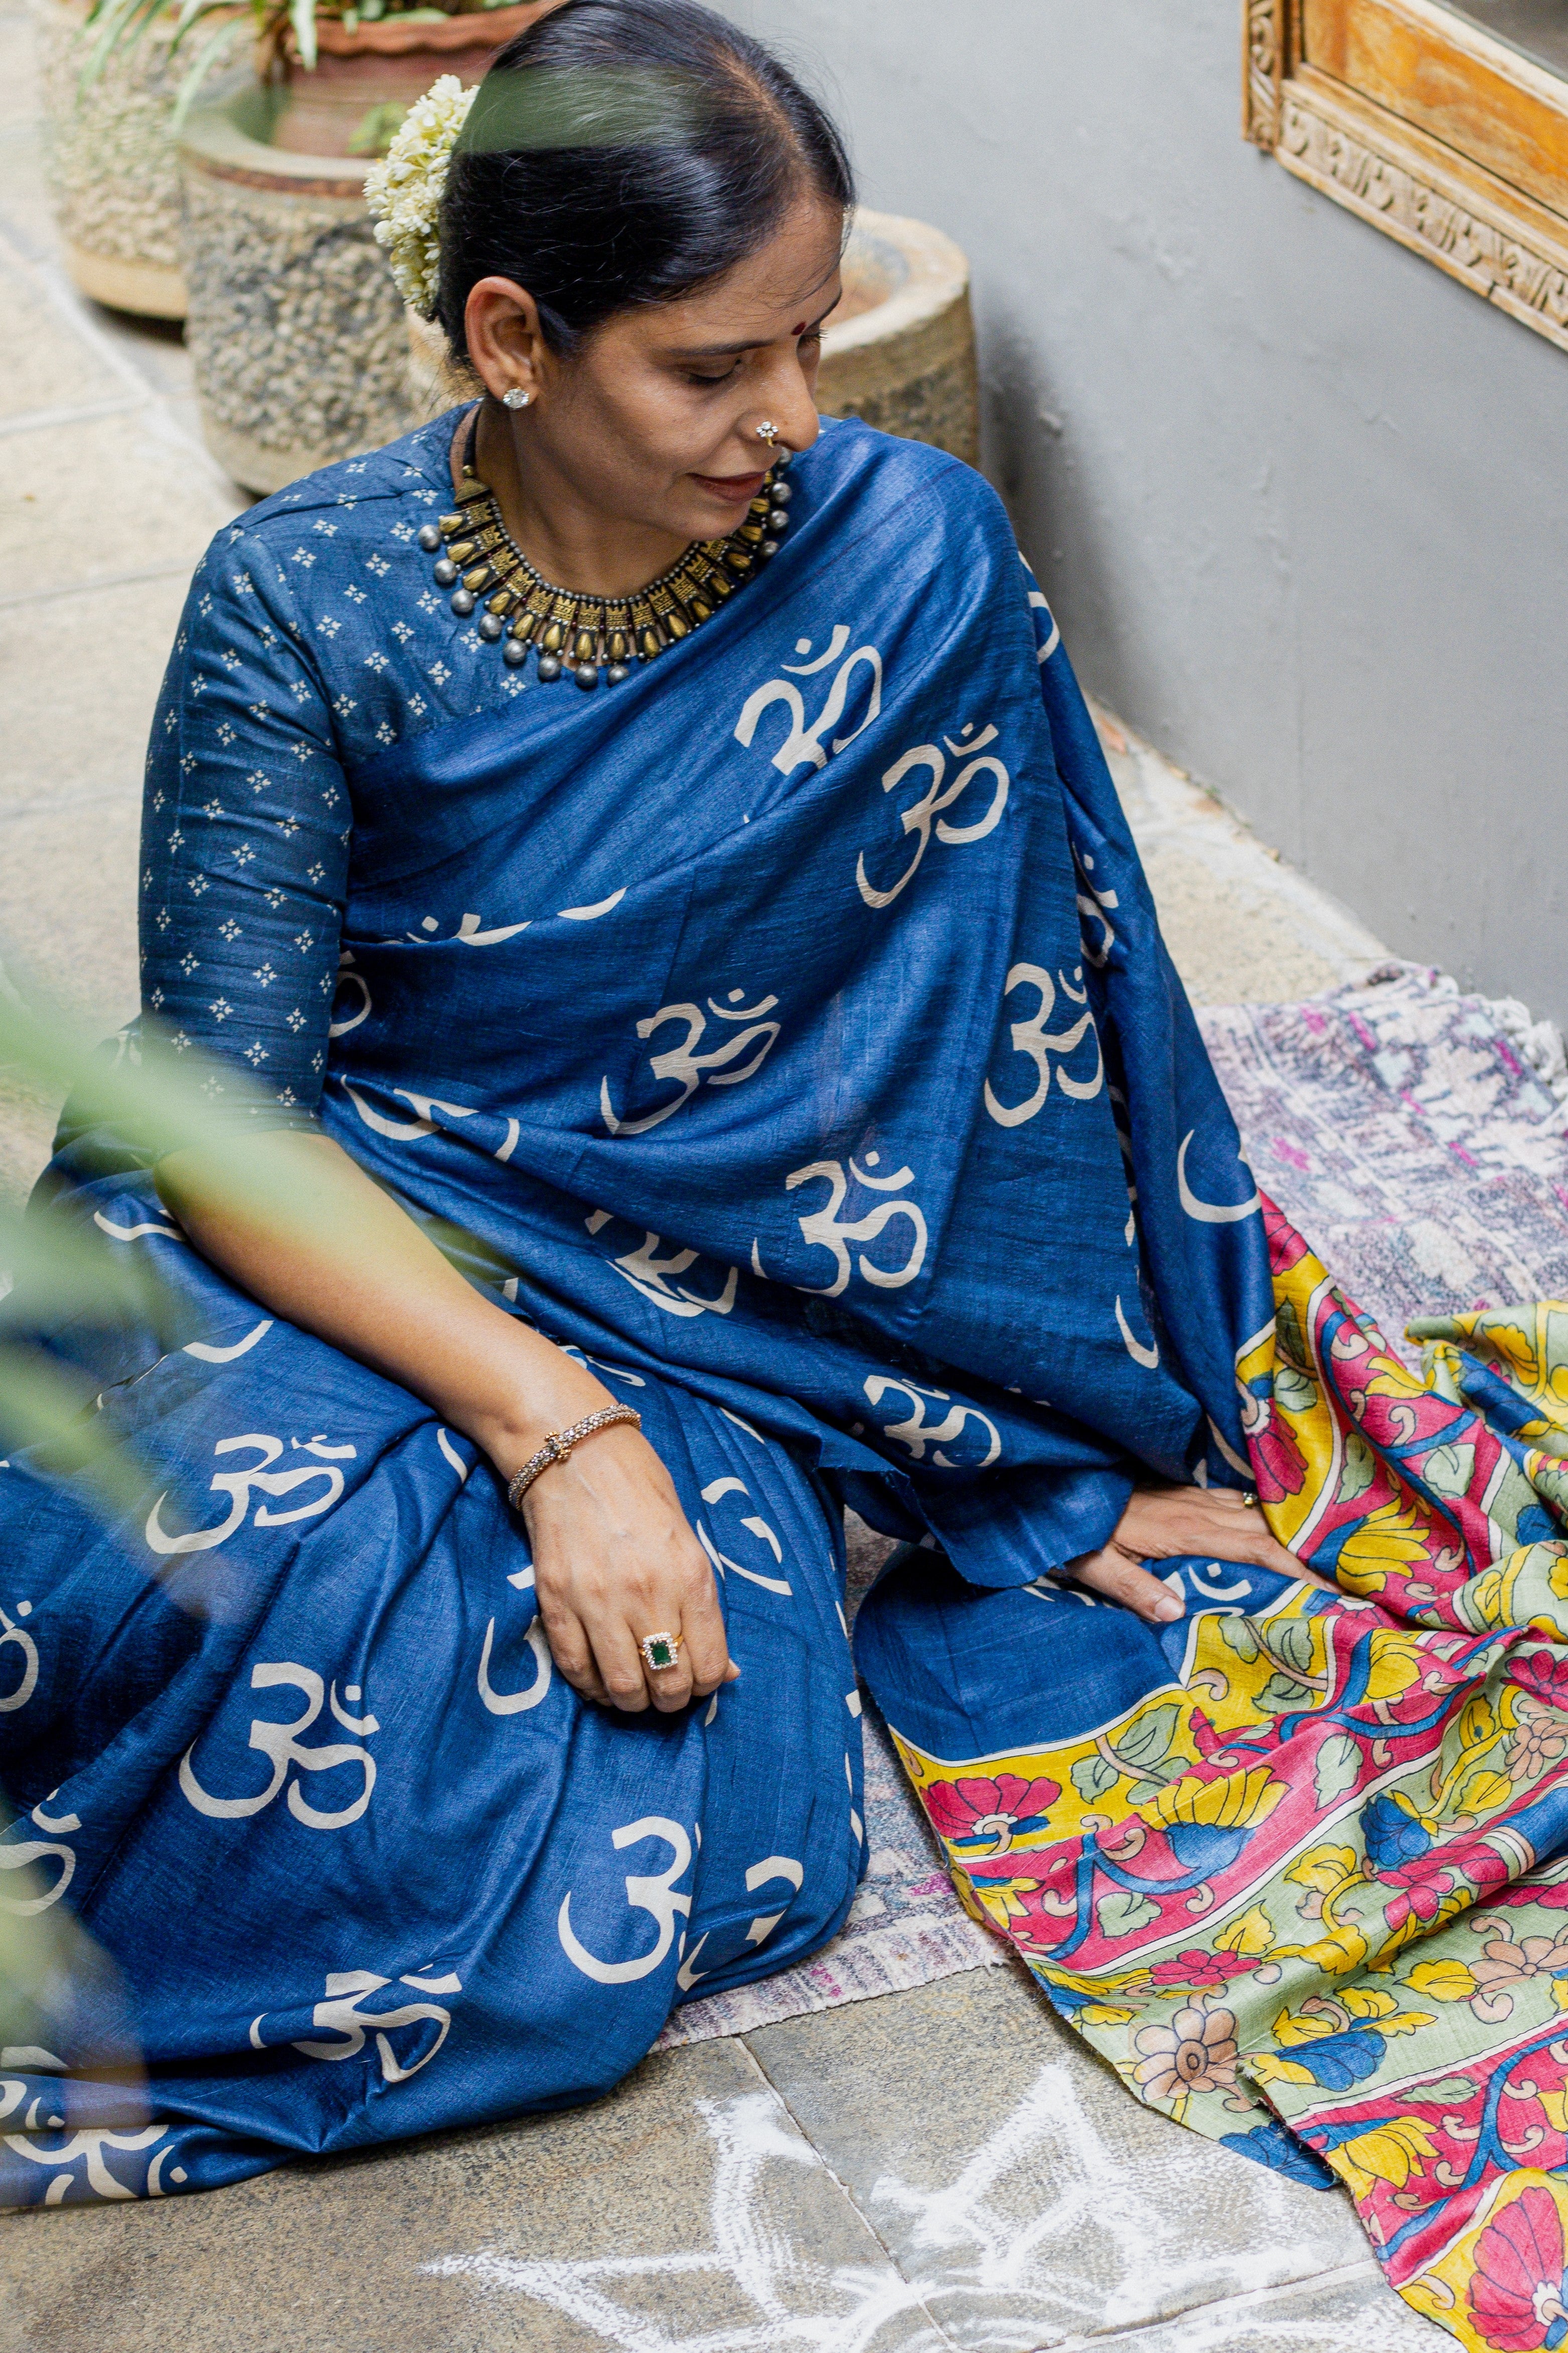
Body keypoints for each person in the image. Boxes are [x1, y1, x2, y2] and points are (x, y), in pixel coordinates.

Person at [6, 6, 1568, 2339]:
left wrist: (1031, 1443)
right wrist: (558, 1434)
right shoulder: (304, 606)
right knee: (137, 1576)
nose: (793, 419)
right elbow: (231, 1118)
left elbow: (1023, 1045)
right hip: (352, 1217)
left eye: (811, 340)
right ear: (512, 339)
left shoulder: (907, 554)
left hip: (728, 1302)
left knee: (577, 1775)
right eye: (712, 365)